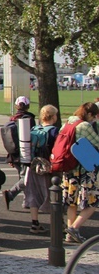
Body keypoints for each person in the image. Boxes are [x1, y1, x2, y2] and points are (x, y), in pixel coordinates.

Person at [61, 102, 99, 243]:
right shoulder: (85, 126)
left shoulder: (67, 123)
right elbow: (97, 142)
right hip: (84, 169)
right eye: (94, 116)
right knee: (92, 202)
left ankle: (70, 233)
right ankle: (74, 228)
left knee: (72, 202)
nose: (94, 119)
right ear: (89, 114)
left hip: (69, 168)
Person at [23, 105, 58, 234]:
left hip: (33, 165)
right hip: (47, 166)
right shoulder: (54, 131)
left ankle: (35, 222)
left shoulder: (34, 129)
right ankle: (58, 222)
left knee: (33, 193)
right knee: (51, 194)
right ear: (53, 116)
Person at [2, 96, 37, 209]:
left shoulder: (12, 119)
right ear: (28, 106)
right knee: (26, 178)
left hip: (14, 153)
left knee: (23, 177)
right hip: (26, 152)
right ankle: (11, 193)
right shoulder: (29, 119)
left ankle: (27, 201)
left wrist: (10, 156)